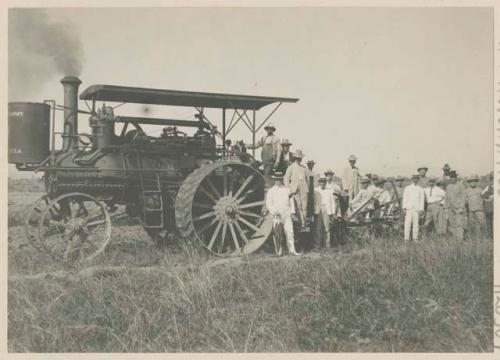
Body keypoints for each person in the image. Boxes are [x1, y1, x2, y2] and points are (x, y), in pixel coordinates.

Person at [265, 172, 301, 256]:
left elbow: (291, 202)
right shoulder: (271, 191)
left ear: (282, 180)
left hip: (287, 213)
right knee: (277, 233)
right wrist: (274, 212)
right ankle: (279, 251)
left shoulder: (287, 190)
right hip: (277, 215)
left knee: (290, 232)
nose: (278, 181)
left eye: (280, 179)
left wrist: (292, 213)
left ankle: (292, 250)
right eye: (277, 179)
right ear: (274, 180)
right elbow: (268, 204)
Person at [283, 149, 310, 230]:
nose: (299, 159)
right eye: (298, 158)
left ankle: (304, 223)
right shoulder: (290, 167)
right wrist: (289, 189)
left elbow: (307, 180)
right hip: (294, 189)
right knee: (297, 206)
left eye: (300, 158)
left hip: (303, 189)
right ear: (295, 158)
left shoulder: (304, 168)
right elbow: (286, 179)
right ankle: (300, 223)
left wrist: (307, 189)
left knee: (304, 206)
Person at [313, 177, 334, 250]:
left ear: (326, 183)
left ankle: (327, 245)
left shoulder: (329, 191)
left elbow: (332, 202)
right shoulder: (315, 190)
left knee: (327, 228)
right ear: (319, 182)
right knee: (318, 228)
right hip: (318, 210)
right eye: (321, 182)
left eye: (324, 182)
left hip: (327, 209)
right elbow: (313, 201)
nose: (323, 183)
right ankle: (317, 245)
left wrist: (332, 212)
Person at [444, 171, 466, 241]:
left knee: (459, 224)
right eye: (451, 177)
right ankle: (454, 238)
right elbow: (446, 197)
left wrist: (461, 207)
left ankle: (460, 240)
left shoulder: (461, 186)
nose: (452, 179)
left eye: (453, 177)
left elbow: (463, 197)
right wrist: (446, 208)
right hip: (450, 207)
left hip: (458, 207)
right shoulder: (448, 186)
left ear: (456, 178)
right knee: (452, 223)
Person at [402, 175, 425, 241]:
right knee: (407, 223)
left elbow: (422, 200)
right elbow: (405, 198)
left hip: (416, 209)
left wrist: (421, 209)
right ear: (412, 180)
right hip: (409, 208)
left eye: (416, 179)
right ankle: (406, 238)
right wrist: (404, 207)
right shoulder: (407, 188)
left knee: (416, 224)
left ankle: (415, 238)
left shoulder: (420, 189)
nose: (415, 180)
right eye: (414, 179)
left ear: (418, 180)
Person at [481, 172, 494, 238]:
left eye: (492, 179)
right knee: (489, 222)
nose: (491, 181)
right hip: (489, 208)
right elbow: (482, 194)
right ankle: (490, 235)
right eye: (490, 179)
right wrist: (488, 197)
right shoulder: (488, 187)